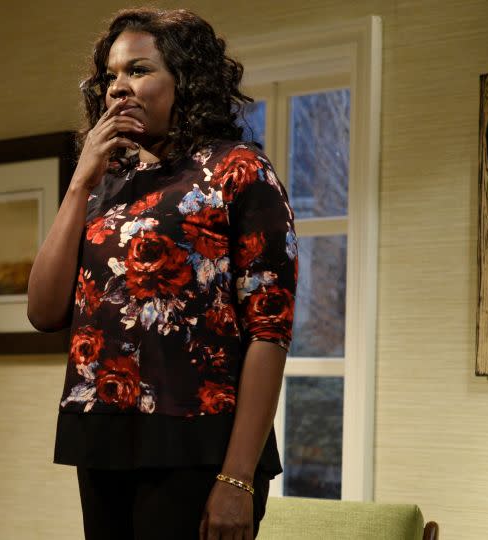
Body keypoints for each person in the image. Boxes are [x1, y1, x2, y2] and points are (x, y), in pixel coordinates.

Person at [27, 8, 297, 540]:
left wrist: (238, 478)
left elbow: (270, 330)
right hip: (103, 434)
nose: (118, 89)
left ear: (186, 82)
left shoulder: (238, 170)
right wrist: (81, 182)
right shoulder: (105, 182)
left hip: (201, 445)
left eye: (139, 70)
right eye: (111, 76)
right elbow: (43, 311)